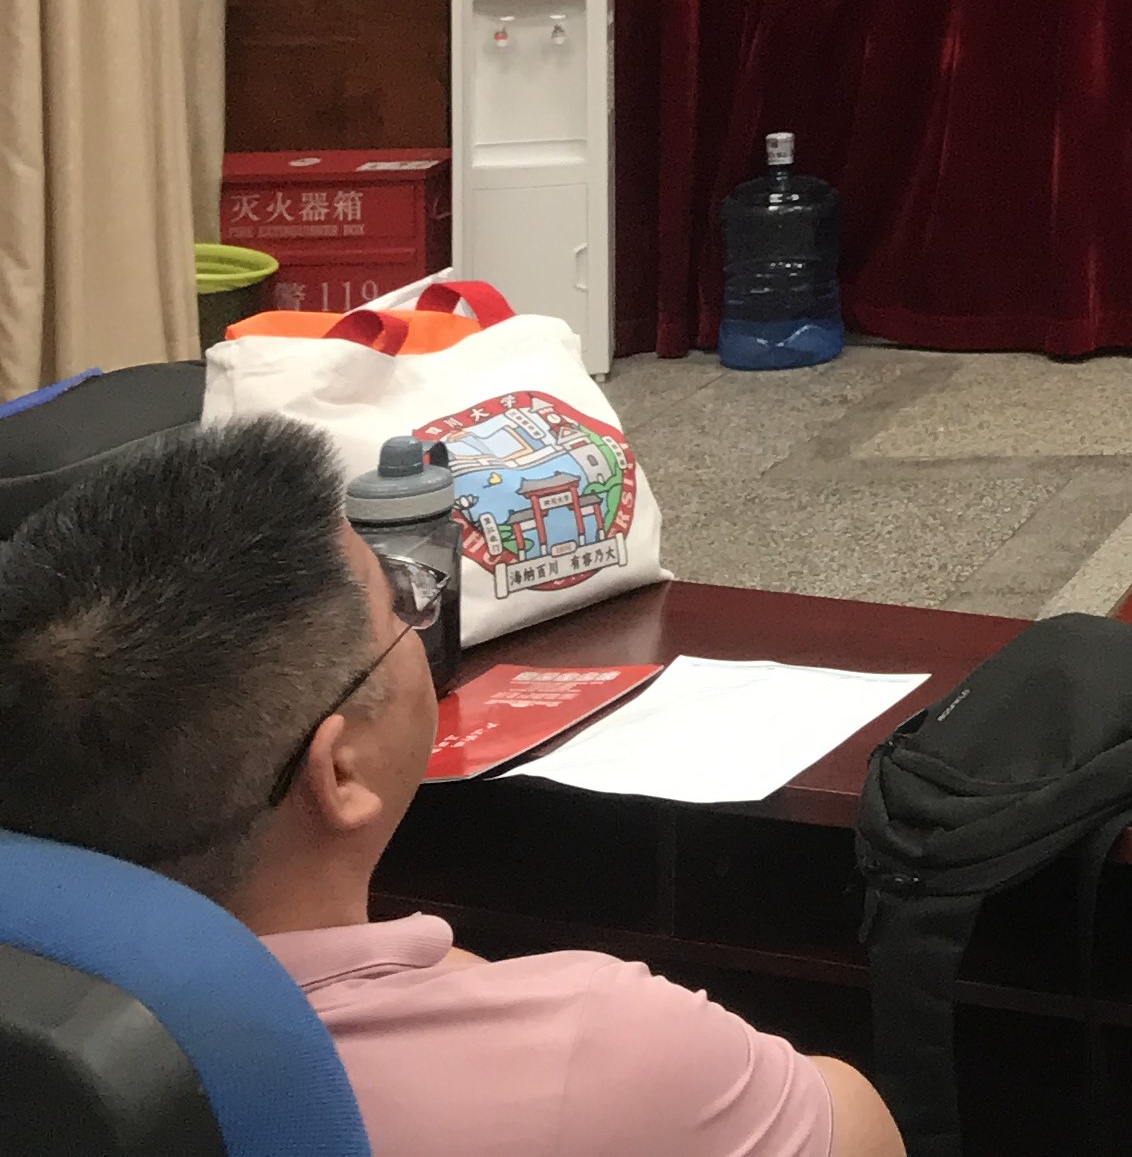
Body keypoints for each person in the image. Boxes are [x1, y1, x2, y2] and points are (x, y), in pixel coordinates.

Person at [0, 419, 901, 1157]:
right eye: (397, 606)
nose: (413, 617)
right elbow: (858, 1126)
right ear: (339, 771)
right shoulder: (593, 1044)